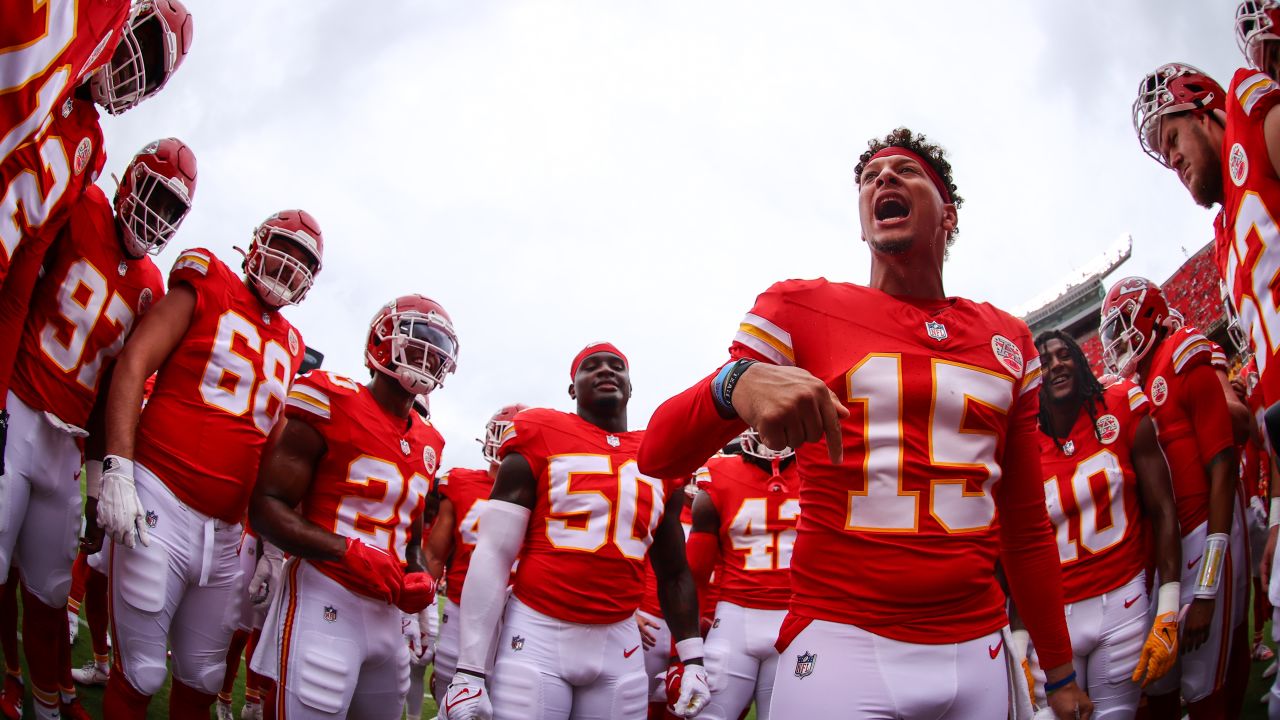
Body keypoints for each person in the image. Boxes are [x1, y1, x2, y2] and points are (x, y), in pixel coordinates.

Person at [636, 127, 1092, 719]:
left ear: (947, 213)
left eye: (905, 171)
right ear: (862, 220)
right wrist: (733, 386)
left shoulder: (1007, 339)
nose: (883, 179)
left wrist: (1059, 675)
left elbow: (1026, 524)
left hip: (977, 646)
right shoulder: (801, 309)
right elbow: (658, 453)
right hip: (843, 643)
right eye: (870, 177)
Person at [96, 209, 323, 718]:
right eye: (284, 249)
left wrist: (269, 544)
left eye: (302, 261)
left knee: (202, 679)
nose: (289, 267)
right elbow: (135, 360)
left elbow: (271, 446)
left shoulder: (292, 344)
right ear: (258, 243)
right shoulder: (208, 277)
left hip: (226, 534)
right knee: (141, 672)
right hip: (158, 497)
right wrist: (117, 467)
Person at [0, 136, 194, 720]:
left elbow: (113, 391)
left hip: (67, 444)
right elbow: (17, 294)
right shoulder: (80, 207)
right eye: (153, 198)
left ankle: (49, 697)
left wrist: (97, 479)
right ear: (130, 180)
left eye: (170, 210)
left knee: (50, 588)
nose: (155, 216)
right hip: (19, 406)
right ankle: (10, 677)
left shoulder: (151, 286)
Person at [443, 343, 711, 720]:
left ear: (630, 386)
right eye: (592, 366)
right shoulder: (538, 431)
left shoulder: (660, 460)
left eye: (617, 366)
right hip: (537, 629)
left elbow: (674, 571)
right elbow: (493, 553)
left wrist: (693, 659)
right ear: (572, 388)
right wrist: (469, 670)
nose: (606, 370)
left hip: (619, 640)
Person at [248, 294, 455, 718]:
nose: (428, 355)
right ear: (382, 341)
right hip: (327, 591)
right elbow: (267, 507)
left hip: (387, 614)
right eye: (418, 342)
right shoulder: (332, 399)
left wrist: (417, 573)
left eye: (437, 348)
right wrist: (346, 551)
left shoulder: (430, 443)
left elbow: (409, 535)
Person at [1099, 277, 1245, 718]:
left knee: (1204, 687)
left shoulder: (1182, 350)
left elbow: (1222, 465)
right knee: (1158, 676)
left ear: (1148, 315)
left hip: (1205, 528)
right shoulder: (1137, 385)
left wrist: (1206, 590)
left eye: (1122, 324)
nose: (1118, 340)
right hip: (1168, 543)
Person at [1023, 330, 1182, 716]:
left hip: (1122, 602)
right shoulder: (1023, 441)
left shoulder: (1119, 405)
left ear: (1080, 359)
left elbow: (1163, 509)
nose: (1056, 364)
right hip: (1053, 617)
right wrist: (1017, 639)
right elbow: (1018, 550)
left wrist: (1169, 607)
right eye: (1045, 361)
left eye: (1065, 354)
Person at [685, 430, 798, 720]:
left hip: (798, 621)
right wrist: (683, 654)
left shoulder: (821, 472)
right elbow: (696, 573)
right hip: (735, 617)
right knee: (705, 716)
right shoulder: (718, 473)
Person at [425, 403, 527, 706]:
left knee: (509, 703)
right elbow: (434, 554)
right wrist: (422, 605)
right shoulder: (459, 481)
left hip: (518, 613)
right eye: (501, 433)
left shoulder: (542, 489)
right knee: (452, 698)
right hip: (460, 605)